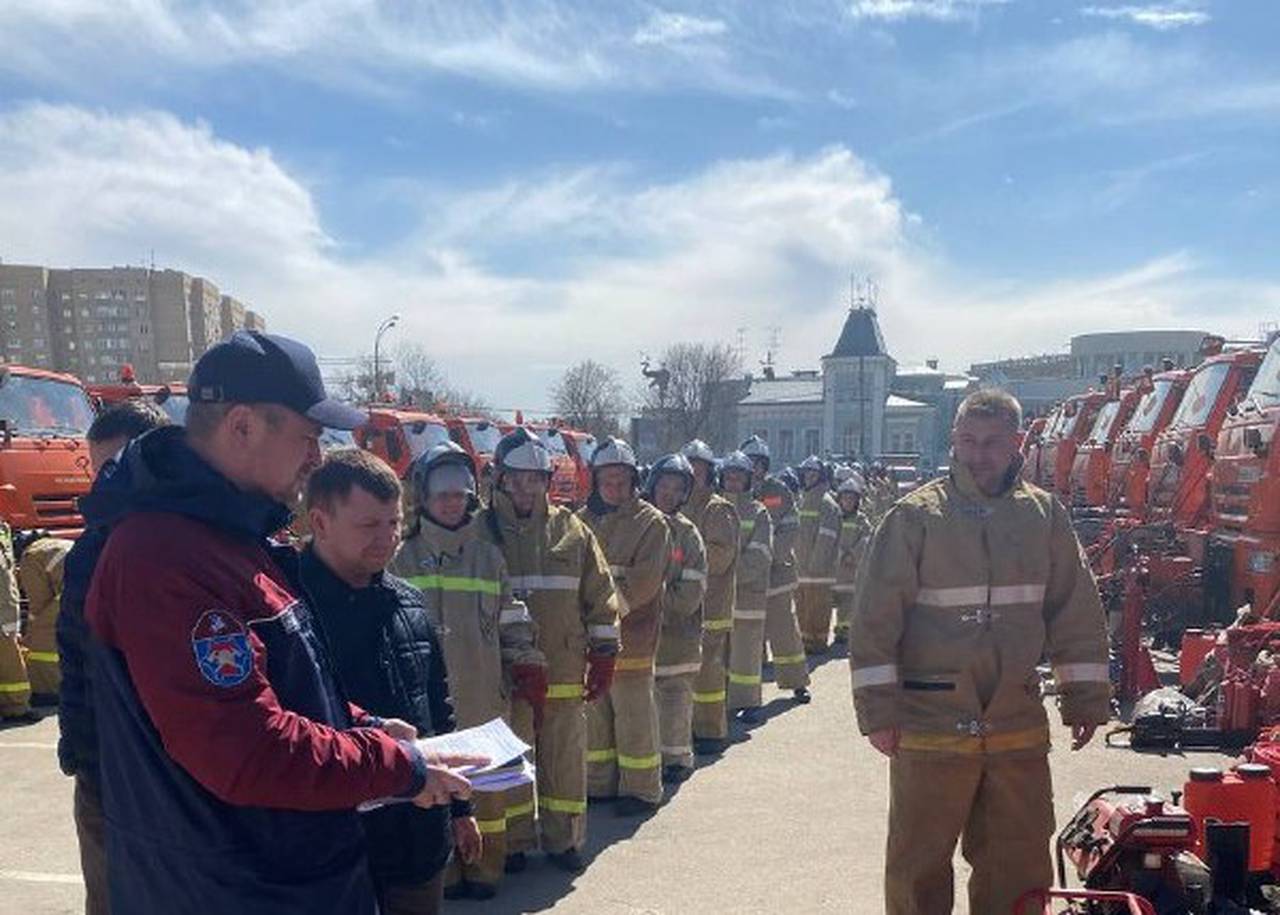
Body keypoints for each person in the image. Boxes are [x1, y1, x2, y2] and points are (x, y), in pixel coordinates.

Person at [82, 331, 482, 915]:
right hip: (234, 889)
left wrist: (364, 725)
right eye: (308, 436)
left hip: (290, 879)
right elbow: (247, 749)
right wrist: (395, 766)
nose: (317, 457)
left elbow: (282, 692)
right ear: (242, 426)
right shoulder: (165, 556)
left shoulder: (235, 540)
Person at [849, 389, 1111, 915]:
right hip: (931, 725)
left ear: (1017, 445)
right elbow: (875, 622)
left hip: (1015, 722)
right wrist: (878, 713)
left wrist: (1084, 699)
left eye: (992, 443)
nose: (978, 454)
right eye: (968, 441)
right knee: (917, 865)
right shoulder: (915, 518)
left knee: (1016, 865)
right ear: (953, 441)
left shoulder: (1043, 517)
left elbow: (1075, 612)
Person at [300, 447, 481, 915]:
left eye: (394, 524)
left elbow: (438, 710)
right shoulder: (289, 612)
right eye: (369, 527)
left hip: (419, 844)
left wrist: (460, 812)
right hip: (336, 852)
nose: (387, 539)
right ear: (319, 522)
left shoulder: (409, 603)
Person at [389, 441, 546, 901]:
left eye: (459, 494)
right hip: (424, 701)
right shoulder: (402, 557)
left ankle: (485, 869)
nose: (452, 502)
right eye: (442, 495)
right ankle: (448, 873)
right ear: (423, 498)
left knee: (486, 790)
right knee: (434, 787)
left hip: (482, 695)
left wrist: (526, 664)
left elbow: (510, 617)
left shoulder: (487, 557)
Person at [480, 427, 619, 873]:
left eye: (535, 479)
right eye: (517, 478)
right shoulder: (480, 532)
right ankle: (516, 841)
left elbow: (600, 595)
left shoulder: (571, 529)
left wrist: (604, 653)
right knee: (511, 758)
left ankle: (564, 840)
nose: (526, 488)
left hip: (562, 667)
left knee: (564, 758)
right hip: (504, 674)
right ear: (500, 479)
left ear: (546, 481)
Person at [57, 398, 169, 915]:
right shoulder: (88, 553)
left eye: (116, 468)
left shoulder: (195, 544)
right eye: (97, 470)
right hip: (105, 775)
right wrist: (79, 748)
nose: (104, 484)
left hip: (176, 781)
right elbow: (74, 661)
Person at [578, 438, 670, 815]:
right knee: (596, 715)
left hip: (632, 639)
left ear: (634, 481)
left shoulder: (651, 523)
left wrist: (602, 615)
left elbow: (644, 582)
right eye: (607, 481)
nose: (615, 489)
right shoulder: (581, 521)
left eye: (621, 481)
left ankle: (642, 789)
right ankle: (599, 783)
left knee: (635, 718)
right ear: (596, 481)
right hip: (589, 641)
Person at [645, 453, 708, 783]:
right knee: (645, 706)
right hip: (641, 638)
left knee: (675, 702)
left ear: (685, 494)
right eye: (664, 486)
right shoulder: (637, 524)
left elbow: (690, 593)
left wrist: (652, 604)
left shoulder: (689, 535)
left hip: (678, 637)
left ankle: (678, 760)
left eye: (676, 488)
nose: (668, 494)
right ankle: (649, 763)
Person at [679, 440, 739, 756]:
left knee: (710, 673)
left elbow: (720, 557)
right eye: (687, 470)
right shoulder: (678, 505)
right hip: (685, 606)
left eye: (698, 470)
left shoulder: (717, 509)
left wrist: (684, 557)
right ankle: (689, 729)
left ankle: (712, 731)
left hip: (712, 606)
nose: (692, 476)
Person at [740, 437, 810, 705]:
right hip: (748, 578)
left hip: (776, 574)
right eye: (750, 463)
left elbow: (790, 528)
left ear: (765, 465)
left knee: (784, 630)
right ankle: (744, 693)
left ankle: (796, 681)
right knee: (746, 637)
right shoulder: (737, 492)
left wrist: (768, 557)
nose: (755, 468)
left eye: (759, 463)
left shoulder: (777, 491)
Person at [720, 450, 773, 724]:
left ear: (747, 481)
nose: (733, 483)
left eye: (738, 478)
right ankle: (725, 700)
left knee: (747, 652)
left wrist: (728, 574)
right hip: (718, 597)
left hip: (747, 595)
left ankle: (750, 701)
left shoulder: (758, 512)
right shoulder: (714, 509)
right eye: (728, 477)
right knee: (720, 652)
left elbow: (760, 554)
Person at [15, 529, 72, 700]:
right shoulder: (61, 544)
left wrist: (29, 634)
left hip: (71, 593)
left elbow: (39, 603)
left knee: (42, 639)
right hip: (95, 587)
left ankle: (46, 689)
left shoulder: (30, 556)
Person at [793, 455, 843, 655]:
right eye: (806, 473)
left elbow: (826, 538)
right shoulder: (804, 500)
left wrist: (816, 565)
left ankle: (819, 643)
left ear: (820, 476)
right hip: (802, 568)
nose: (808, 477)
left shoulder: (827, 502)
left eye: (812, 473)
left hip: (819, 572)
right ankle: (805, 642)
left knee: (818, 608)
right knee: (803, 608)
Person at [831, 472, 871, 647]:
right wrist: (837, 554)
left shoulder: (861, 519)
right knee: (833, 602)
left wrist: (852, 554)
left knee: (848, 603)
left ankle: (845, 630)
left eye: (851, 499)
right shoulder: (833, 518)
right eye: (845, 498)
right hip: (834, 568)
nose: (848, 502)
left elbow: (867, 539)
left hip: (851, 569)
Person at [0, 520, 31, 721]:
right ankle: (15, 706)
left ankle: (15, 706)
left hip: (6, 607)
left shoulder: (3, 527)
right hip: (5, 608)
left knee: (9, 654)